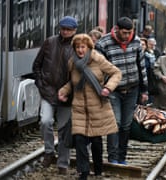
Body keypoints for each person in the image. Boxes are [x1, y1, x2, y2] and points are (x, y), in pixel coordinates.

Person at [58, 34, 122, 180]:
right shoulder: (72, 63)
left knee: (96, 142)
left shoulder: (97, 59)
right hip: (79, 107)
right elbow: (73, 83)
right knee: (80, 140)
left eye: (83, 47)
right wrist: (64, 91)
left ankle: (98, 169)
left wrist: (108, 88)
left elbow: (116, 73)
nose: (80, 50)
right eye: (77, 47)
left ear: (88, 47)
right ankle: (84, 172)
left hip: (97, 107)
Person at [95, 17, 148, 164]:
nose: (127, 36)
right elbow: (98, 70)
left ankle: (122, 157)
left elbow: (141, 66)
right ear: (117, 29)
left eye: (129, 32)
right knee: (115, 123)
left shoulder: (136, 42)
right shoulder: (103, 44)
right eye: (124, 33)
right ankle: (113, 157)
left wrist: (144, 90)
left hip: (132, 88)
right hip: (113, 90)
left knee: (126, 125)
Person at [32, 16, 78, 174]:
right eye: (63, 29)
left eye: (68, 29)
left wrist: (71, 91)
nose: (65, 32)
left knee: (65, 130)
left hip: (68, 96)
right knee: (45, 121)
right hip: (48, 91)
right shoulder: (49, 42)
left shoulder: (77, 46)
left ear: (74, 31)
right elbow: (37, 65)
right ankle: (49, 152)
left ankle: (63, 163)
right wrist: (40, 82)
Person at [140, 38, 157, 103]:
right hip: (136, 85)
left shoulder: (149, 57)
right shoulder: (133, 56)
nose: (141, 46)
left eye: (143, 45)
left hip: (148, 84)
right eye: (140, 44)